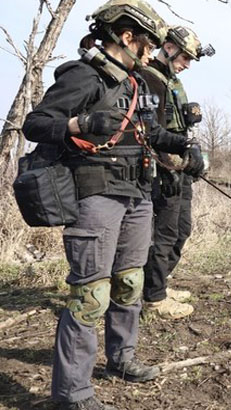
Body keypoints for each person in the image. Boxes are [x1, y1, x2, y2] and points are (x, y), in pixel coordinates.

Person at [21, 1, 205, 409]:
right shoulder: (84, 76)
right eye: (149, 42)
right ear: (127, 37)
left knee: (130, 284)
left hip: (137, 195)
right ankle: (73, 394)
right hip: (96, 197)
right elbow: (35, 124)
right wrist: (80, 124)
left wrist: (180, 144)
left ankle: (121, 359)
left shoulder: (135, 82)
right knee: (90, 295)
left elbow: (148, 131)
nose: (152, 49)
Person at [140, 26, 213, 320]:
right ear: (168, 48)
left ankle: (158, 285)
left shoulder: (171, 80)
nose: (187, 64)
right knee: (165, 234)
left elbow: (177, 126)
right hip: (163, 170)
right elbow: (151, 134)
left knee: (182, 230)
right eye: (185, 57)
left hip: (179, 169)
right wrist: (183, 149)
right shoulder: (150, 79)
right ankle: (153, 299)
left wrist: (191, 148)